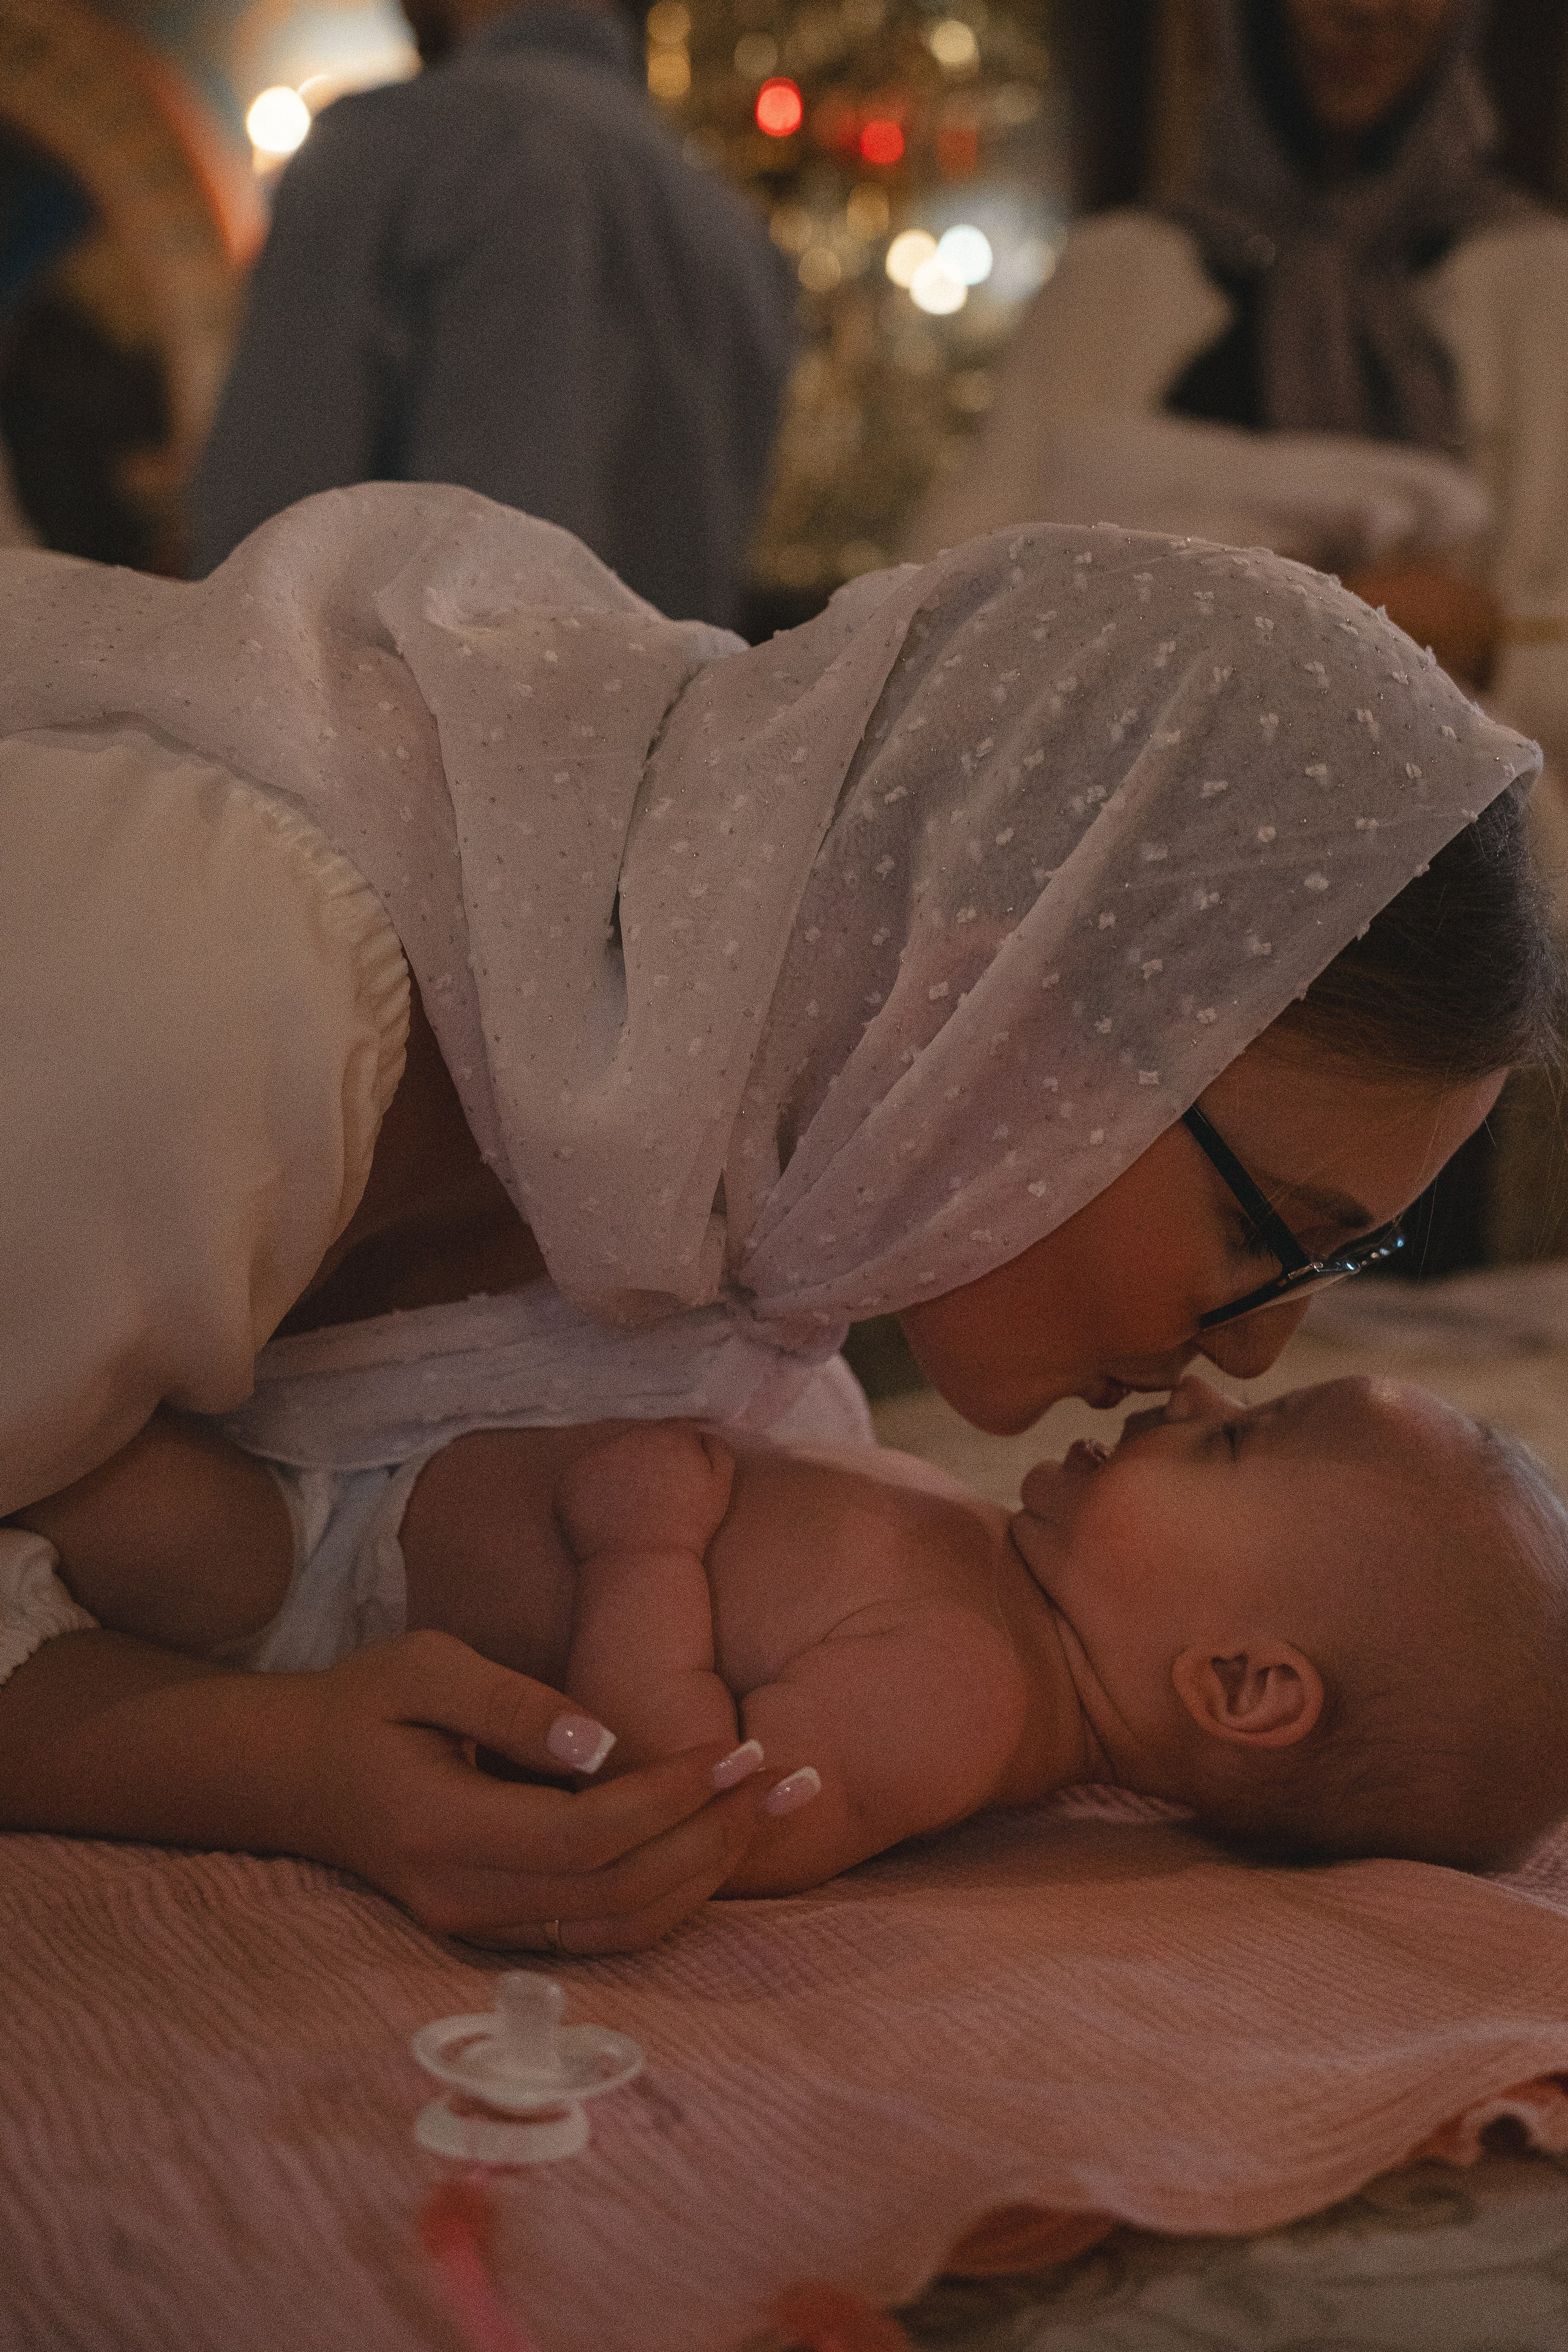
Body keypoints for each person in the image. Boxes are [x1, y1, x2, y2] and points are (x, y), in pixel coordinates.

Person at [0, 482, 1555, 1951]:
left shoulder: (747, 1142)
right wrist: (265, 1764)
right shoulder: (211, 991)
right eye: (1266, 1234)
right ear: (995, 1000)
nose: (1258, 1351)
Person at [19, 1373, 1568, 1883]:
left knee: (71, 1444)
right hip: (364, 1470)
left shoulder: (956, 1701)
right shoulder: (1003, 1585)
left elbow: (676, 1790)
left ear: (1239, 1683)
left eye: (1232, 1443)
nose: (1190, 1389)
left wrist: (641, 1547)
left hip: (320, 1583)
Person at [905, 0, 1568, 779]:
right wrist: (1324, 615)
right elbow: (952, 616)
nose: (1365, 11)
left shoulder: (1536, 284)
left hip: (1468, 856)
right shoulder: (1113, 278)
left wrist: (1491, 646)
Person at [186, 0, 793, 629]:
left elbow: (256, 560)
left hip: (379, 719)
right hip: (654, 724)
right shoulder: (737, 238)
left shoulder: (388, 148)